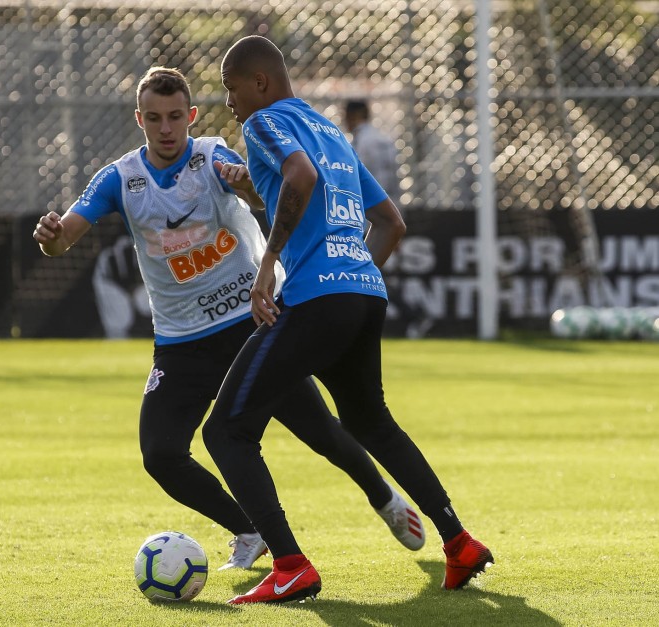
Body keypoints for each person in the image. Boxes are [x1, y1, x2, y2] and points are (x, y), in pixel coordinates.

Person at [33, 66, 426, 571]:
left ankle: (385, 499)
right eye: (155, 118)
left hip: (250, 326)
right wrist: (51, 237)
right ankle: (249, 528)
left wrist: (246, 187)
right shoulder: (120, 177)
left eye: (176, 116)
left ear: (192, 116)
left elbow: (271, 196)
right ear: (140, 120)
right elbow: (65, 235)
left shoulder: (214, 155)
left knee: (321, 432)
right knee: (161, 456)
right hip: (179, 343)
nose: (167, 128)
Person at [205, 36, 493, 604]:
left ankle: (289, 565)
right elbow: (390, 223)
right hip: (365, 293)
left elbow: (300, 178)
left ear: (259, 83)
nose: (230, 101)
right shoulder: (333, 133)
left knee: (225, 430)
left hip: (318, 299)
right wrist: (351, 269)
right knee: (370, 422)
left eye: (231, 88)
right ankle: (458, 542)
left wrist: (267, 264)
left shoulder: (264, 124)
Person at [343, 99, 401, 203]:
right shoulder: (384, 137)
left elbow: (359, 173)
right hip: (391, 198)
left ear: (351, 116)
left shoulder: (361, 141)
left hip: (370, 200)